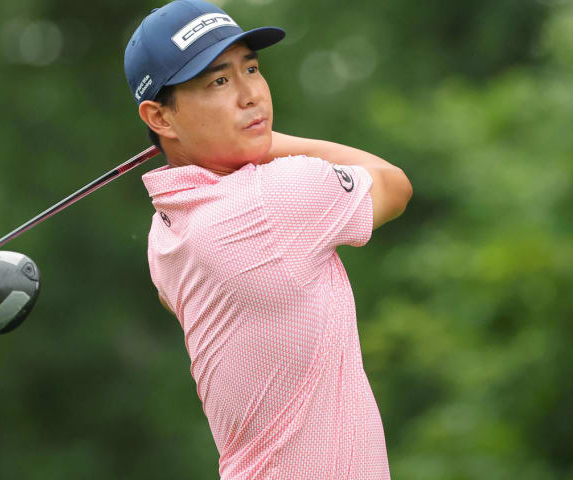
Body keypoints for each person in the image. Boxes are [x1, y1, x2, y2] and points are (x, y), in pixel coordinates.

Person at [124, 1, 412, 478]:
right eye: (219, 81)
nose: (250, 95)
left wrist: (237, 142)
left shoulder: (165, 233)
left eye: (251, 69)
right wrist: (269, 140)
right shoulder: (274, 198)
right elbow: (393, 183)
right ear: (160, 117)